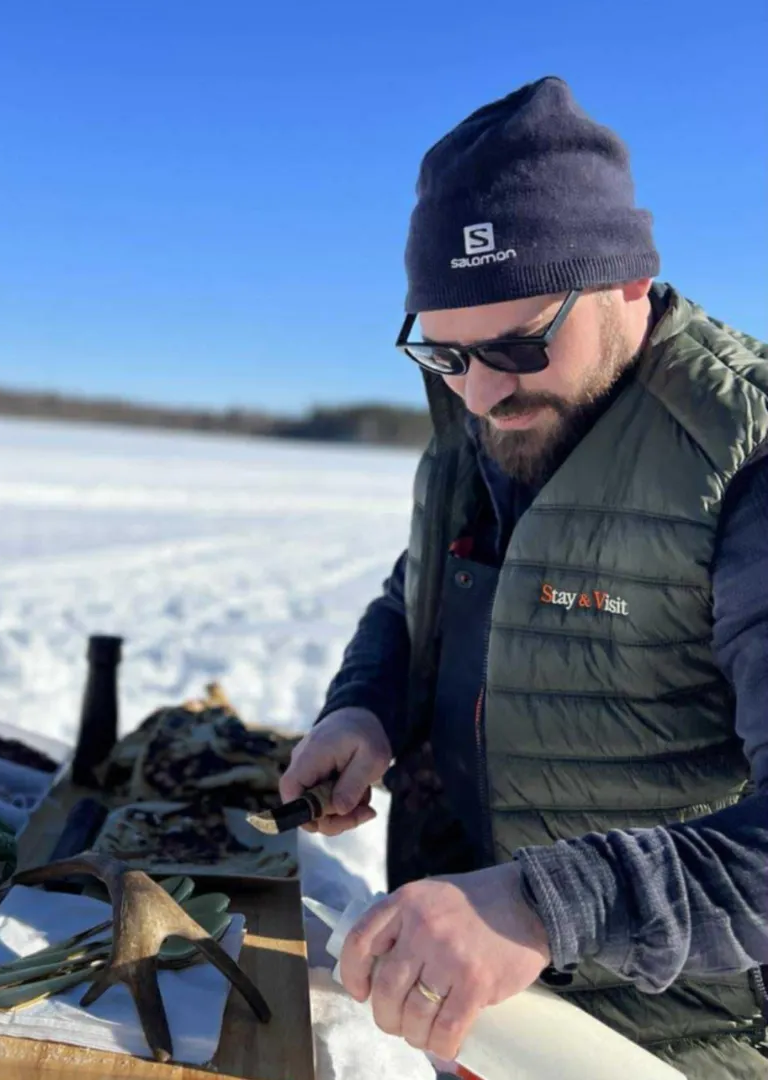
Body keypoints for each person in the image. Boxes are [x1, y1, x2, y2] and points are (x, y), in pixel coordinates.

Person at [280, 76, 768, 1079]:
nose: (484, 391)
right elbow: (419, 594)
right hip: (475, 1008)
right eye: (445, 353)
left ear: (631, 281)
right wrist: (367, 709)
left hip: (672, 1049)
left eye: (517, 344)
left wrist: (547, 903)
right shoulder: (482, 408)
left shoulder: (745, 460)